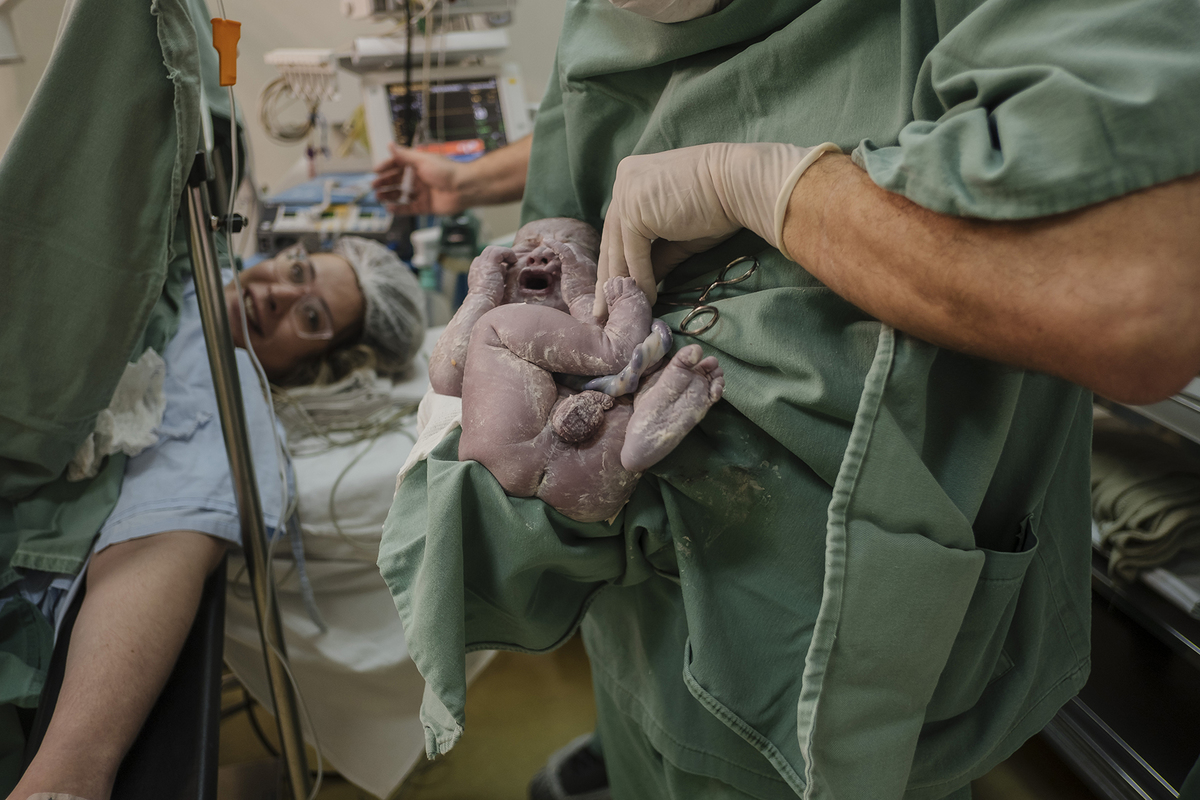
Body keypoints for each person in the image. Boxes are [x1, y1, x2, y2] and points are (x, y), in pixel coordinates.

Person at [377, 2, 1200, 800]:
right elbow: (579, 152)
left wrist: (770, 189)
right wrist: (532, 261)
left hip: (829, 637)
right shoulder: (599, 20)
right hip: (637, 623)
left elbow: (1134, 295)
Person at [8, 236, 425, 800]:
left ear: (317, 367)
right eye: (296, 268)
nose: (277, 293)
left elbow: (162, 539)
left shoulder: (230, 404)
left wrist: (65, 779)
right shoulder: (185, 252)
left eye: (310, 317)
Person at [429, 218, 724, 523]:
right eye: (525, 248)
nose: (541, 255)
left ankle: (644, 428)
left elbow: (600, 332)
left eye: (567, 249)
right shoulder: (496, 312)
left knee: (654, 367)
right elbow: (447, 378)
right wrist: (481, 295)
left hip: (590, 469)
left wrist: (585, 297)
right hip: (515, 446)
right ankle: (615, 355)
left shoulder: (610, 312)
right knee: (493, 325)